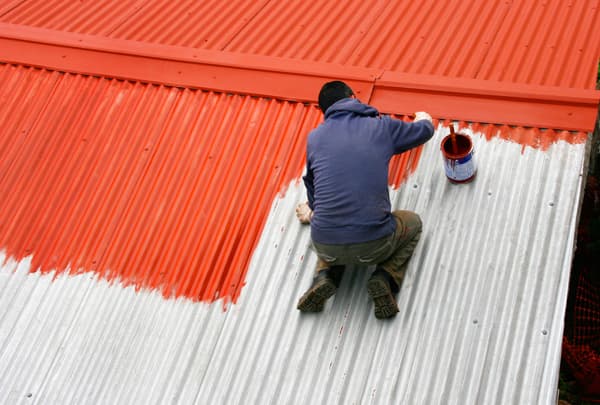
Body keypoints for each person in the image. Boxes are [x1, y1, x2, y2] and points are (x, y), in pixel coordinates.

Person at [296, 80, 434, 319]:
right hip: (375, 245)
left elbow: (312, 185)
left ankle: (325, 275)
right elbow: (423, 132)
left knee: (330, 220)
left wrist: (313, 211)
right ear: (352, 98)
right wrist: (425, 119)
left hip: (325, 244)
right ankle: (385, 277)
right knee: (412, 222)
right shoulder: (379, 127)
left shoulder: (315, 138)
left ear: (325, 111)